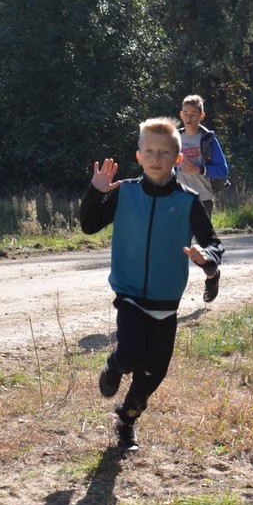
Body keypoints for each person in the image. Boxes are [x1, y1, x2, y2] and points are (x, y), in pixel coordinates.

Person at [81, 117, 224, 452]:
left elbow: (213, 241)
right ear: (139, 155)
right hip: (129, 293)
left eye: (163, 152)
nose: (156, 157)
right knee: (131, 353)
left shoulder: (188, 201)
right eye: (149, 151)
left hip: (166, 302)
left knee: (154, 373)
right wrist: (95, 192)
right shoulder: (126, 193)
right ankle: (114, 365)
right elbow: (89, 225)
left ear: (177, 159)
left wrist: (207, 257)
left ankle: (125, 421)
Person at [176, 94, 229, 303]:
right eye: (185, 114)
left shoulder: (208, 139)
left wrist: (200, 169)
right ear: (181, 115)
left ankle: (212, 275)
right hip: (177, 201)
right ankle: (172, 296)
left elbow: (223, 170)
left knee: (203, 250)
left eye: (193, 114)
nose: (188, 118)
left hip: (202, 200)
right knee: (178, 248)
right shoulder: (175, 137)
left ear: (201, 116)